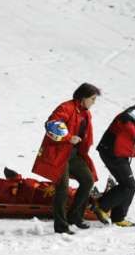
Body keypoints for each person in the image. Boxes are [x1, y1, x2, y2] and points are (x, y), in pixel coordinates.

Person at [32, 83, 100, 234]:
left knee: (88, 180)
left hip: (74, 154)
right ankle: (61, 226)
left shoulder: (86, 113)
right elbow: (51, 124)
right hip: (59, 154)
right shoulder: (66, 108)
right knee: (62, 189)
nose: (94, 102)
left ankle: (75, 216)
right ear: (83, 97)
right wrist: (69, 138)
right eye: (92, 99)